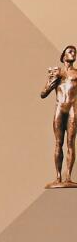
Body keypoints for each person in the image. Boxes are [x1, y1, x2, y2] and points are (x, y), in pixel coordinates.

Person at [40, 45, 77, 187]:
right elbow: (43, 94)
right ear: (63, 56)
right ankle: (58, 177)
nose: (73, 53)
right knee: (58, 143)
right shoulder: (57, 73)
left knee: (70, 143)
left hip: (73, 109)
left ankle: (68, 176)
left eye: (74, 52)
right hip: (60, 109)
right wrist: (51, 81)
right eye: (70, 51)